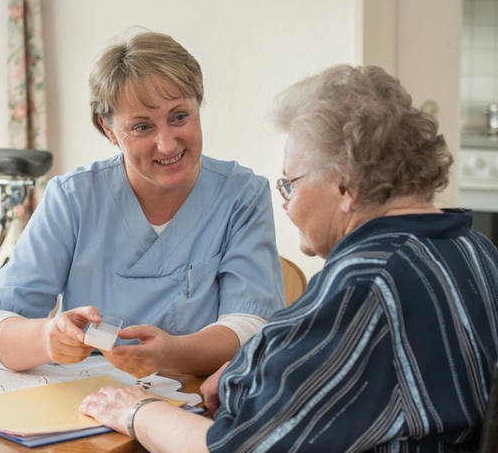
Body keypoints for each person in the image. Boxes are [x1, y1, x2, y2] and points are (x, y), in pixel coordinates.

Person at [80, 64, 498, 452]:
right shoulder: (474, 250)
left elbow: (233, 448)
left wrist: (135, 410)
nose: (286, 204)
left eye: (290, 184)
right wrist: (252, 371)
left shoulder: (367, 284)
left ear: (345, 185)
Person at [0, 30, 285, 378]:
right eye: (142, 127)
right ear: (109, 130)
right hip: (88, 409)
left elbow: (253, 327)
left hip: (195, 407)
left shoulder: (241, 195)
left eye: (179, 117)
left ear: (198, 105)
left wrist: (171, 353)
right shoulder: (73, 199)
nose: (167, 144)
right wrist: (47, 338)